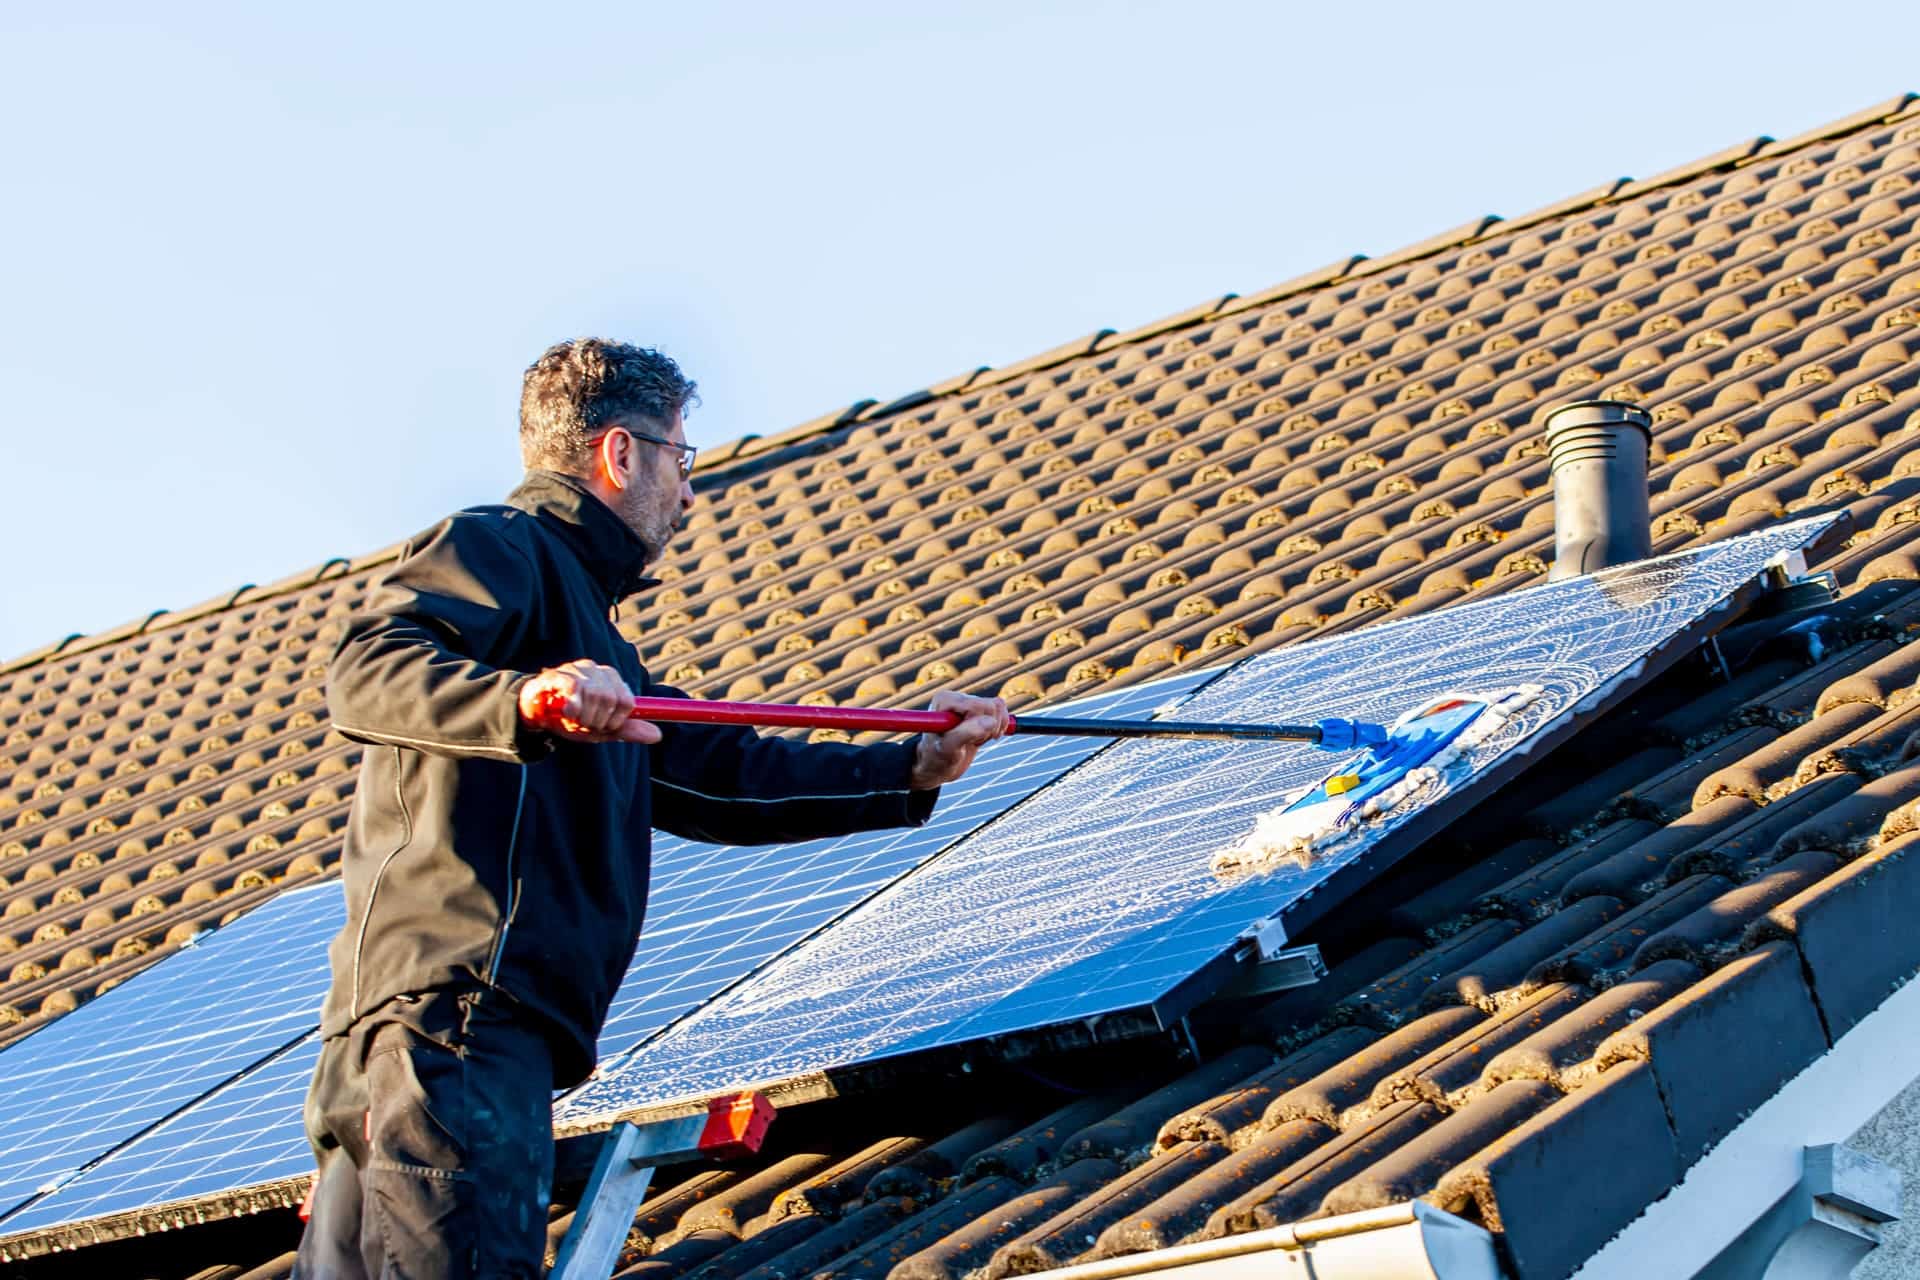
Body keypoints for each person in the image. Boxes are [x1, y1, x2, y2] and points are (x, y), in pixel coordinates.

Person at [294, 339, 1008, 1278]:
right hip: (458, 1020)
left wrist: (911, 764)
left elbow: (717, 773)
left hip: (429, 1037)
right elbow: (366, 668)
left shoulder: (594, 640)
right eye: (684, 459)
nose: (689, 494)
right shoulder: (500, 548)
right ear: (620, 454)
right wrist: (522, 702)